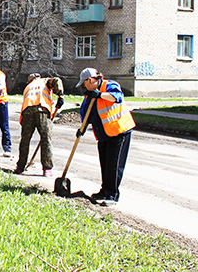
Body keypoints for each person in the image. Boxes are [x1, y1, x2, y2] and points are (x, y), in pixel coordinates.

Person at [76, 68, 135, 207]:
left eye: (84, 83)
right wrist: (82, 129)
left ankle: (112, 195)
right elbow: (85, 113)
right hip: (103, 134)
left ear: (90, 80)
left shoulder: (109, 85)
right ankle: (104, 190)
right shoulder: (89, 94)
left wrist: (100, 95)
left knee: (114, 165)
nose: (84, 86)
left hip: (119, 131)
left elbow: (118, 97)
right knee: (105, 163)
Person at [14, 73, 64, 177]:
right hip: (42, 110)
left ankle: (20, 167)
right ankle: (47, 168)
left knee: (25, 140)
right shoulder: (44, 81)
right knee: (46, 139)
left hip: (27, 112)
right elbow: (57, 80)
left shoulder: (27, 87)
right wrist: (61, 95)